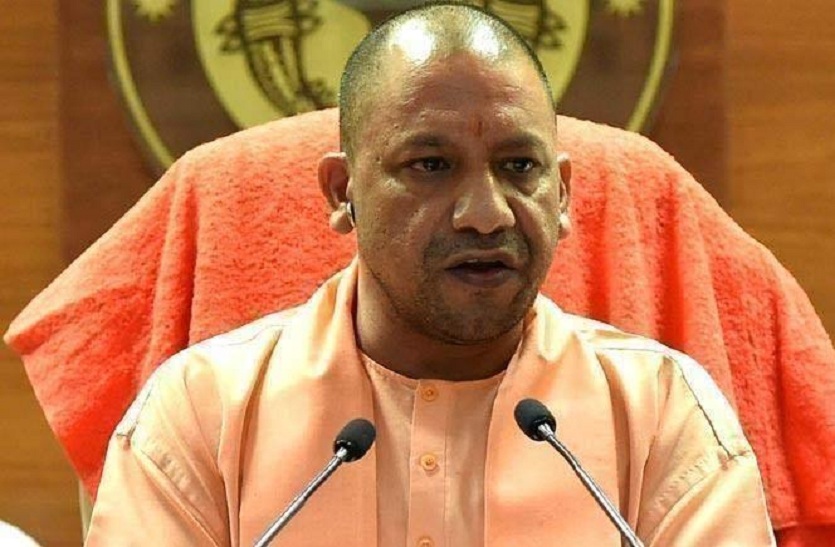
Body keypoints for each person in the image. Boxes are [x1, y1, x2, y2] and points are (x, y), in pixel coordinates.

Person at [84, 3, 775, 545]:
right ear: (342, 193)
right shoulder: (203, 411)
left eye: (519, 166)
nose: (486, 214)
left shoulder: (659, 413)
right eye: (431, 166)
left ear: (563, 195)